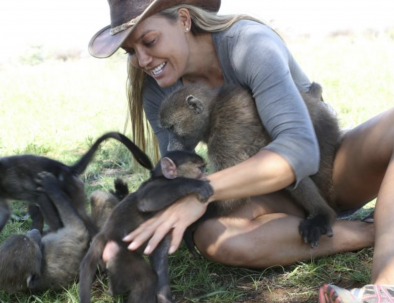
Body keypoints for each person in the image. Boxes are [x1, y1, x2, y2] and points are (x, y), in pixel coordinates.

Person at [88, 0, 394, 302]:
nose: (142, 60)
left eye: (149, 41)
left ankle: (383, 289)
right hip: (276, 194)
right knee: (215, 239)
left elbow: (301, 150)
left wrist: (202, 191)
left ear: (183, 20)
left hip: (332, 166)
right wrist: (123, 229)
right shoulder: (158, 88)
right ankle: (371, 231)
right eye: (130, 51)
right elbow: (173, 168)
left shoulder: (248, 43)